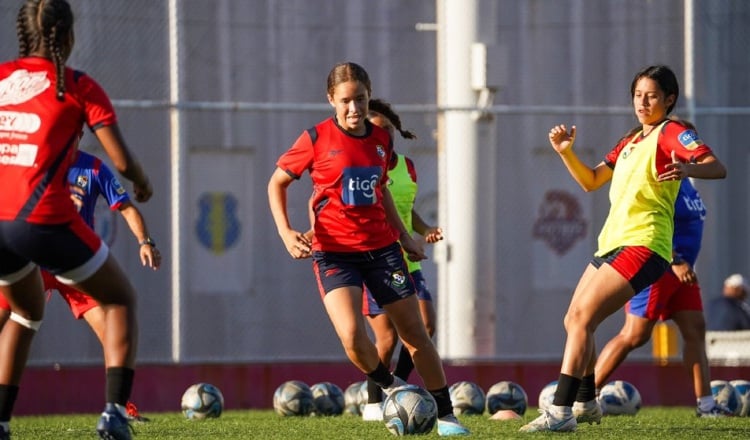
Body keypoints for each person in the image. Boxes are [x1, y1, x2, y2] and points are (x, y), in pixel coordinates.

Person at [520, 65, 727, 433]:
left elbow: (716, 166)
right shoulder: (631, 141)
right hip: (612, 243)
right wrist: (566, 152)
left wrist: (687, 169)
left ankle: (561, 410)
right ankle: (585, 402)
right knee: (575, 320)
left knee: (585, 319)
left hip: (644, 243)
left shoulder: (672, 133)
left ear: (669, 99)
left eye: (651, 96)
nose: (643, 102)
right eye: (637, 95)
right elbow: (592, 181)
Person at [268, 62, 469, 436]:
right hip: (334, 254)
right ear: (331, 100)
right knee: (351, 336)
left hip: (382, 250)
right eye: (345, 101)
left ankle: (447, 416)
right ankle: (392, 387)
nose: (353, 108)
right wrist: (285, 232)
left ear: (368, 95)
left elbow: (382, 190)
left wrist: (405, 237)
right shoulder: (314, 139)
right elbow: (276, 183)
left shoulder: (380, 139)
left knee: (416, 333)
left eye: (360, 99)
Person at [0, 1, 153, 439]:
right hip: (41, 220)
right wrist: (143, 184)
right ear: (67, 36)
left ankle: (0, 421)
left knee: (24, 313)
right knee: (120, 299)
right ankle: (113, 414)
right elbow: (121, 160)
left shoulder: (2, 77)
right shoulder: (76, 84)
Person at [0, 148, 161, 422]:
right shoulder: (34, 160)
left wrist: (145, 241)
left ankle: (120, 407)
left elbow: (125, 206)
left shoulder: (93, 168)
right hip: (33, 262)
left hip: (73, 264)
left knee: (110, 328)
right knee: (9, 320)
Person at [593, 176, 733, 419]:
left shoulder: (685, 180)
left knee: (695, 330)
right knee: (635, 335)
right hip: (661, 267)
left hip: (684, 272)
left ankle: (707, 406)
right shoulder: (661, 177)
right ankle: (583, 395)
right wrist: (675, 260)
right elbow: (650, 224)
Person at [359, 99, 443, 421]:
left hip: (409, 261)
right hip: (377, 260)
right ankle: (371, 401)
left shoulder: (406, 166)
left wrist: (426, 229)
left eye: (390, 130)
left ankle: (401, 391)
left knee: (426, 326)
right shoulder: (363, 170)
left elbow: (407, 212)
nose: (386, 136)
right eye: (380, 130)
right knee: (387, 338)